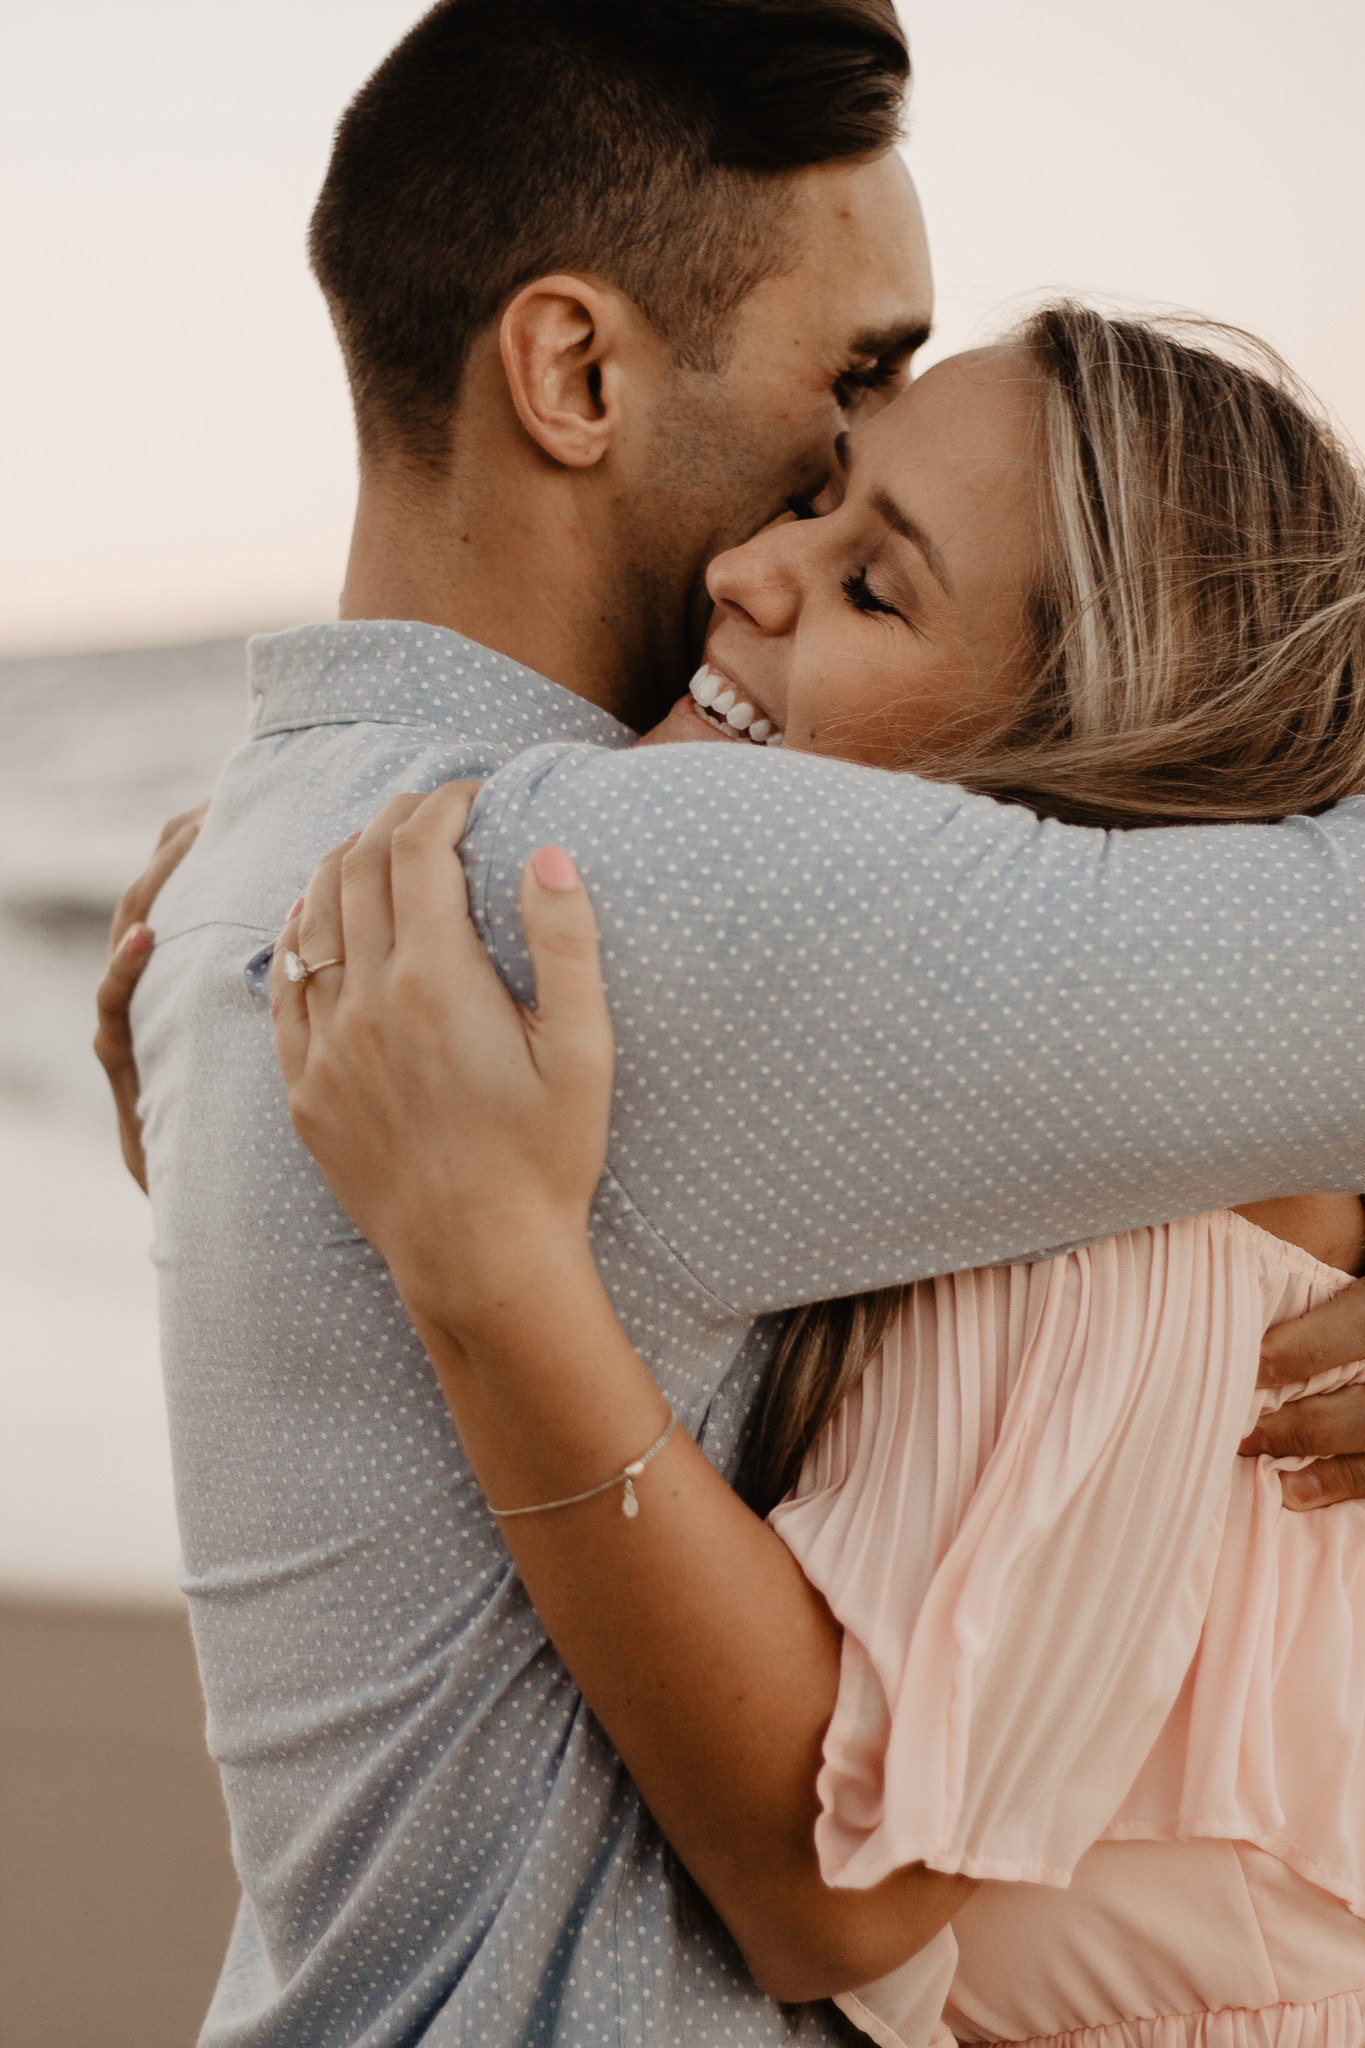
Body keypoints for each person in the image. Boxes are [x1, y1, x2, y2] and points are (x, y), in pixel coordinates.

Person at [92, 3, 1365, 2041]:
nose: (797, 526)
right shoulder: (626, 898)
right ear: (575, 368)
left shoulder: (267, 851)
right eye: (855, 377)